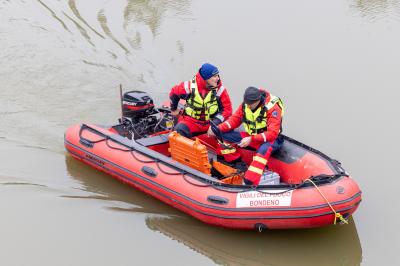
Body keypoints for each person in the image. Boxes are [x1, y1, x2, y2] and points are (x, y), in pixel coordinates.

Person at [209, 86, 284, 185]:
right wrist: (218, 128)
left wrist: (251, 139)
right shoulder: (246, 104)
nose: (248, 106)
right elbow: (234, 120)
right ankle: (235, 162)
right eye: (247, 103)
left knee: (263, 150)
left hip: (270, 140)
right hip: (252, 137)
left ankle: (249, 181)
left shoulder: (273, 108)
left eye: (250, 104)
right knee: (222, 135)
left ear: (258, 100)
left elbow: (272, 134)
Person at [169, 63, 232, 138]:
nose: (218, 78)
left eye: (218, 75)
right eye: (214, 76)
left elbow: (227, 109)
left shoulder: (220, 89)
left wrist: (215, 122)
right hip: (192, 122)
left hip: (211, 122)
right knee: (178, 131)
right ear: (206, 78)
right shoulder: (188, 86)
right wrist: (174, 109)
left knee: (229, 132)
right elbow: (173, 93)